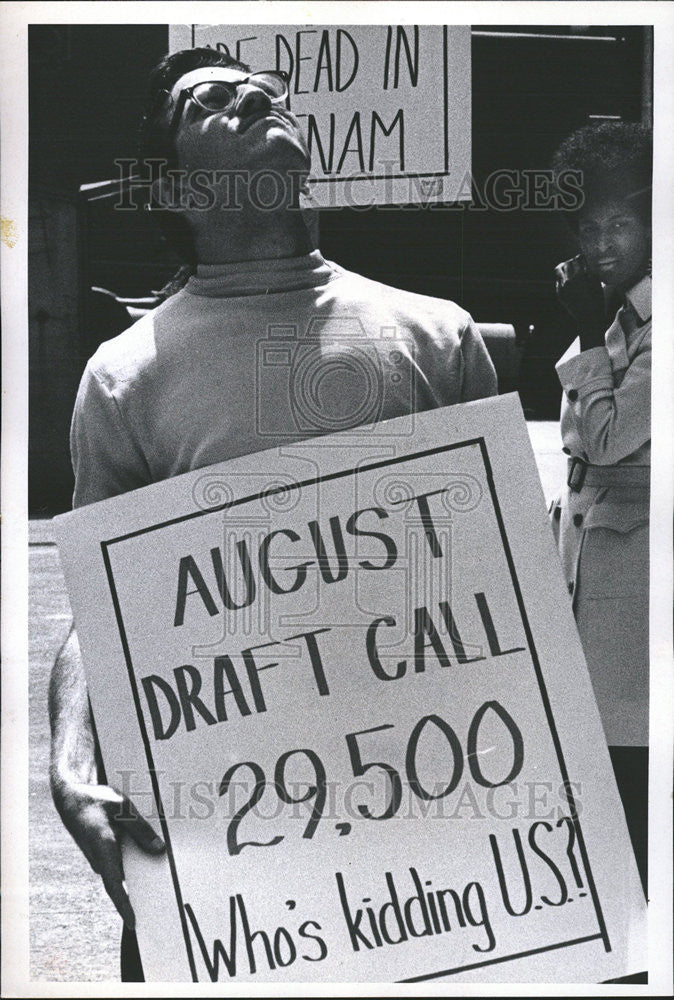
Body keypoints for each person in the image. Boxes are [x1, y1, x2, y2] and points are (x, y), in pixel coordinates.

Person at [48, 47, 497, 981]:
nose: (257, 93)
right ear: (174, 188)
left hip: (418, 850)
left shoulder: (437, 335)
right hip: (220, 861)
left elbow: (499, 595)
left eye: (266, 89)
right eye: (211, 101)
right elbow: (103, 610)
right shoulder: (126, 376)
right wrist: (69, 765)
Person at [549, 121, 651, 891]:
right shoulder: (620, 316)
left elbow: (610, 438)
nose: (603, 243)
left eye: (620, 225)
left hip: (637, 572)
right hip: (593, 565)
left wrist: (584, 327)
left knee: (628, 773)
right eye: (590, 228)